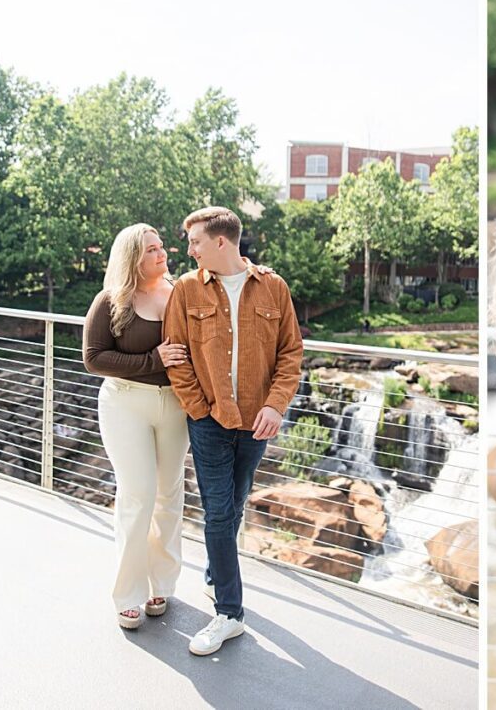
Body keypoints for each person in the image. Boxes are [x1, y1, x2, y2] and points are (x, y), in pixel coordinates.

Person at [163, 206, 303, 656]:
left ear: (221, 242)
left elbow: (290, 355)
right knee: (219, 513)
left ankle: (213, 574)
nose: (189, 250)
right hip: (210, 422)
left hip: (257, 423)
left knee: (235, 504)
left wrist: (276, 406)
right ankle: (229, 614)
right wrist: (200, 410)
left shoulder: (274, 287)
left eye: (195, 242)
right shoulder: (186, 290)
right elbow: (177, 356)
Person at [83, 223, 190, 630]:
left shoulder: (181, 292)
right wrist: (153, 361)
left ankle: (161, 584)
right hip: (125, 403)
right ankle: (127, 594)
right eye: (150, 250)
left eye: (161, 247)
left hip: (176, 406)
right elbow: (94, 358)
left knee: (169, 496)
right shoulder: (112, 300)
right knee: (138, 495)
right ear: (131, 257)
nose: (161, 254)